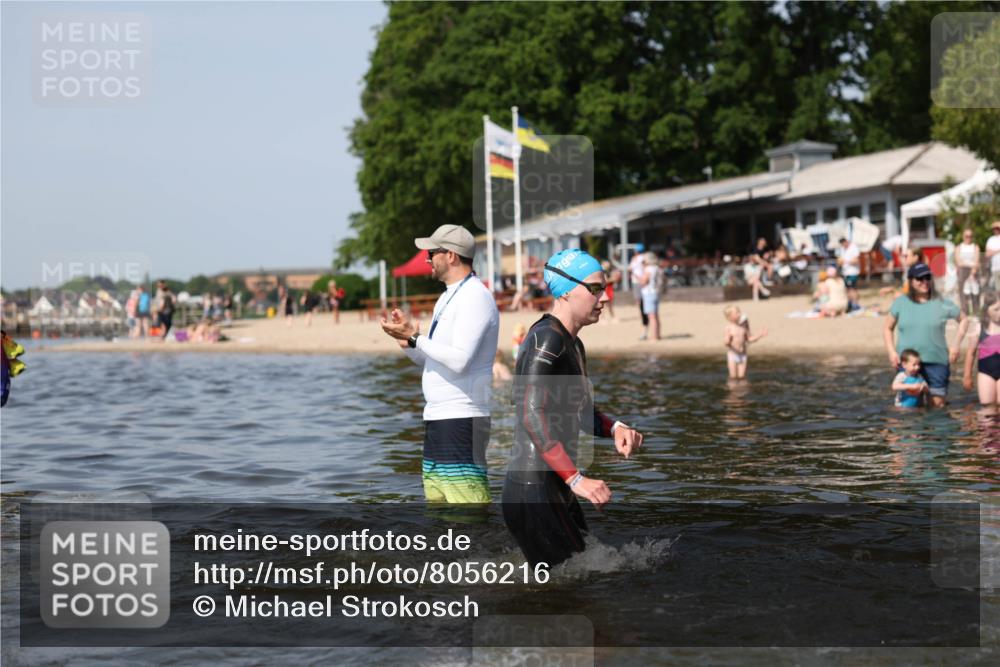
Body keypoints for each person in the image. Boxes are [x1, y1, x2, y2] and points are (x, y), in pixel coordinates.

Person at [503, 248, 644, 567]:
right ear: (565, 291)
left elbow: (579, 412)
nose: (605, 297)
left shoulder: (573, 343)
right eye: (595, 288)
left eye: (605, 288)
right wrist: (575, 479)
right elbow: (530, 414)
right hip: (532, 489)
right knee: (568, 593)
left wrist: (615, 427)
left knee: (582, 578)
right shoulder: (545, 341)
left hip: (554, 484)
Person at [380, 224, 500, 504]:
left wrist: (415, 337)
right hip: (437, 418)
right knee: (440, 513)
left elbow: (459, 360)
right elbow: (433, 357)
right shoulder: (447, 297)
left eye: (432, 252)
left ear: (451, 256)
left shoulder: (475, 297)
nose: (427, 259)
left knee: (467, 515)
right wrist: (407, 342)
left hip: (462, 418)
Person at [883, 262, 969, 408]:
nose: (924, 282)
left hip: (937, 362)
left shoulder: (942, 302)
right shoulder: (900, 303)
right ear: (910, 281)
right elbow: (887, 328)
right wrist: (891, 352)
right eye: (919, 279)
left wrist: (956, 344)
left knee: (936, 409)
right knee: (909, 409)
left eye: (927, 277)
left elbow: (964, 319)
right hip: (908, 364)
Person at [963, 292, 1000, 404]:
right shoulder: (979, 328)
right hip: (985, 373)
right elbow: (971, 353)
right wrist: (967, 376)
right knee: (986, 407)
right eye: (996, 309)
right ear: (987, 310)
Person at [722, 305, 768, 380]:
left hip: (743, 355)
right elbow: (726, 342)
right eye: (737, 313)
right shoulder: (729, 328)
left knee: (742, 377)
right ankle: (733, 390)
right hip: (733, 355)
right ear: (729, 317)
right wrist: (727, 341)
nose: (739, 314)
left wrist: (760, 335)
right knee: (733, 377)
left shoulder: (742, 328)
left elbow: (749, 339)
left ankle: (742, 391)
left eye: (739, 312)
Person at [954, 228, 981, 317]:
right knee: (962, 292)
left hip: (974, 269)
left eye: (970, 236)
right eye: (967, 236)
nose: (968, 238)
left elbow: (976, 260)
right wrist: (968, 264)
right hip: (962, 270)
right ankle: (965, 311)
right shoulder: (959, 247)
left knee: (975, 291)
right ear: (963, 236)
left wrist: (973, 271)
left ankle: (976, 311)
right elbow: (958, 261)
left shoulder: (975, 247)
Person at [639, 251, 662, 341]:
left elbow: (644, 281)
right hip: (656, 292)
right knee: (656, 315)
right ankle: (658, 334)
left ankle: (654, 336)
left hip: (649, 293)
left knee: (651, 317)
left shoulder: (649, 269)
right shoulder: (657, 268)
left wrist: (639, 278)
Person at [837, 237, 861, 311]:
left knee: (852, 289)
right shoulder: (842, 249)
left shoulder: (854, 248)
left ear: (846, 241)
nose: (843, 245)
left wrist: (845, 261)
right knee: (848, 289)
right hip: (845, 272)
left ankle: (855, 304)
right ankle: (851, 304)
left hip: (853, 272)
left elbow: (856, 260)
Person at [629, 244, 648, 331]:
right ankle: (643, 315)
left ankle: (642, 316)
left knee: (639, 300)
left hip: (637, 280)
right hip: (640, 280)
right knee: (641, 299)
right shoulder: (643, 258)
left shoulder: (637, 258)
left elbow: (631, 269)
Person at [986, 220, 1000, 290]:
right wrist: (998, 250)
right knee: (997, 288)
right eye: (995, 228)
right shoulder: (991, 240)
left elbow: (990, 252)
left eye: (997, 228)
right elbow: (987, 254)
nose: (996, 230)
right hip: (995, 267)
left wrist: (993, 251)